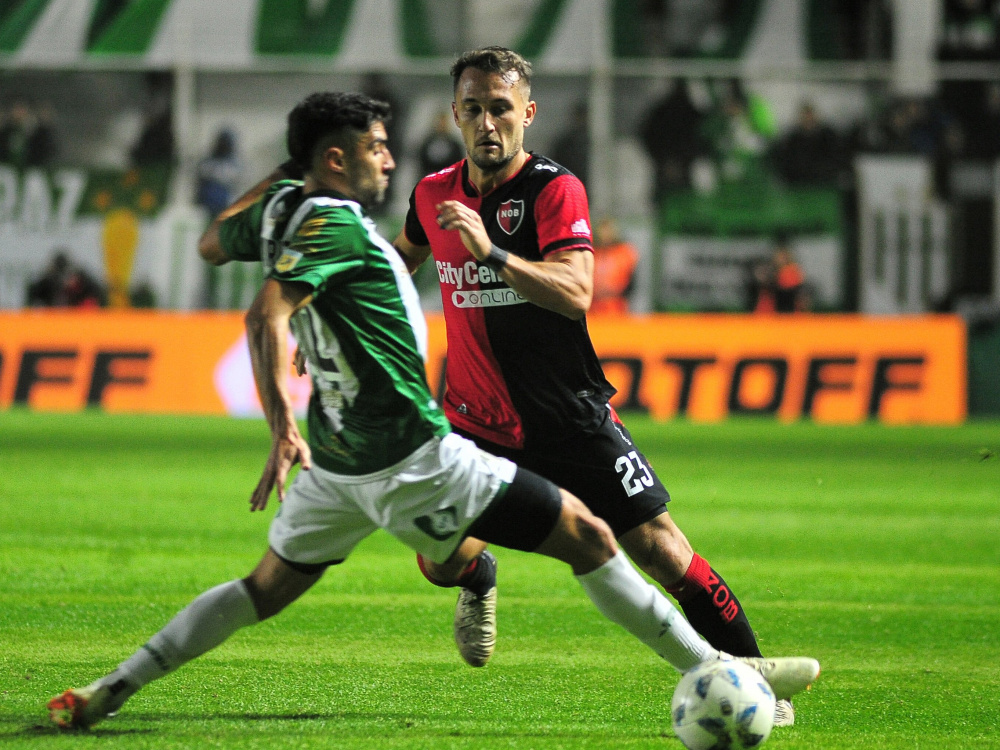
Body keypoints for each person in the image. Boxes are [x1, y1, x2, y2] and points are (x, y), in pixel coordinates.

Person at [46, 91, 819, 731]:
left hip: (338, 467)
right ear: (337, 160)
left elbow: (214, 244)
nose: (391, 159)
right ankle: (720, 672)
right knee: (588, 537)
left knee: (262, 590)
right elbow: (264, 315)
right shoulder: (334, 222)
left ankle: (112, 688)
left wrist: (290, 172)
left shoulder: (280, 208)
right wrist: (281, 427)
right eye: (376, 148)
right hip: (413, 454)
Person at [392, 47, 801, 727]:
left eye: (501, 108)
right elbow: (400, 260)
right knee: (438, 556)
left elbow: (576, 290)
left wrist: (491, 252)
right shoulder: (433, 193)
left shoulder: (555, 190)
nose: (488, 122)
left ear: (528, 112)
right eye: (474, 108)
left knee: (662, 550)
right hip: (473, 421)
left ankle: (762, 686)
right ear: (454, 115)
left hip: (567, 418)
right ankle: (478, 576)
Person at [590, 217, 639, 315]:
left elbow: (632, 282)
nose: (605, 234)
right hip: (593, 306)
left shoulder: (624, 252)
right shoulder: (592, 252)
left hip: (616, 305)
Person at [418, 109, 465, 177]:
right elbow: (422, 161)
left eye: (444, 123)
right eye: (440, 123)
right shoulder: (427, 142)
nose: (441, 125)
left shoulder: (454, 145)